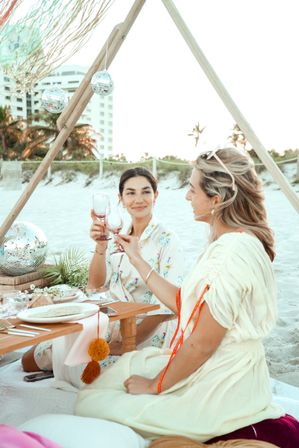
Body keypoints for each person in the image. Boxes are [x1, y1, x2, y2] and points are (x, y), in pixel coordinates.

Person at [75, 147, 288, 443]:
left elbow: (201, 343)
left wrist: (155, 386)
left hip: (223, 383)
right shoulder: (233, 241)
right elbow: (188, 304)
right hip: (225, 365)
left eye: (191, 189)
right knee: (120, 370)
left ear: (216, 200)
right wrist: (136, 257)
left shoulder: (231, 254)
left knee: (91, 403)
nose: (187, 196)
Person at [22, 167, 184, 372]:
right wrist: (101, 246)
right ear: (121, 199)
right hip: (112, 322)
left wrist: (127, 342)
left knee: (86, 369)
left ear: (155, 196)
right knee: (30, 359)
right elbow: (96, 284)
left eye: (146, 191)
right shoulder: (119, 235)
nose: (139, 199)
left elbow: (166, 306)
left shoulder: (167, 240)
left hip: (149, 330)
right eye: (130, 193)